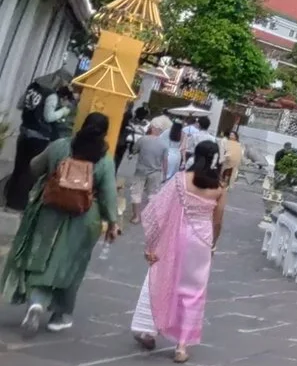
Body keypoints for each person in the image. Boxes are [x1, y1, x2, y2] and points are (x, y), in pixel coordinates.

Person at [4, 111, 120, 332]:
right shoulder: (104, 159)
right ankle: (59, 315)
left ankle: (36, 300)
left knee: (42, 254)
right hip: (85, 216)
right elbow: (108, 194)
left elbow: (35, 166)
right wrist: (112, 222)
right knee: (72, 264)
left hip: (50, 209)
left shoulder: (60, 146)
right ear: (105, 132)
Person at [136, 140, 225, 362]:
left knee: (165, 280)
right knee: (193, 291)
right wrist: (213, 243)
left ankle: (151, 329)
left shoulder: (181, 180)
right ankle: (182, 346)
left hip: (176, 236)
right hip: (201, 240)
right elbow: (218, 220)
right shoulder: (219, 188)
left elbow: (157, 208)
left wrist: (153, 243)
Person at [5, 71, 71, 210]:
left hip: (24, 131)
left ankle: (9, 198)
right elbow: (49, 117)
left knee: (19, 167)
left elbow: (20, 105)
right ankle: (18, 203)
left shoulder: (33, 87)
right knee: (29, 170)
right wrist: (63, 111)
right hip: (39, 137)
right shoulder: (51, 95)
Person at [127, 116, 173, 218]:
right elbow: (165, 161)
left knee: (136, 193)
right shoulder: (164, 145)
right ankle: (151, 216)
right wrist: (165, 175)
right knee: (152, 194)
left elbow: (134, 150)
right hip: (156, 173)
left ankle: (136, 216)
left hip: (141, 171)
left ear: (152, 128)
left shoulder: (143, 139)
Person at [218, 114, 247, 190]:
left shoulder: (239, 144)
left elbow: (241, 152)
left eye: (232, 135)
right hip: (227, 160)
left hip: (234, 161)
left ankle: (226, 183)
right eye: (230, 135)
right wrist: (222, 158)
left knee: (230, 173)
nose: (231, 136)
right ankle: (222, 182)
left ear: (236, 137)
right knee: (224, 171)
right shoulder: (226, 141)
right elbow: (222, 150)